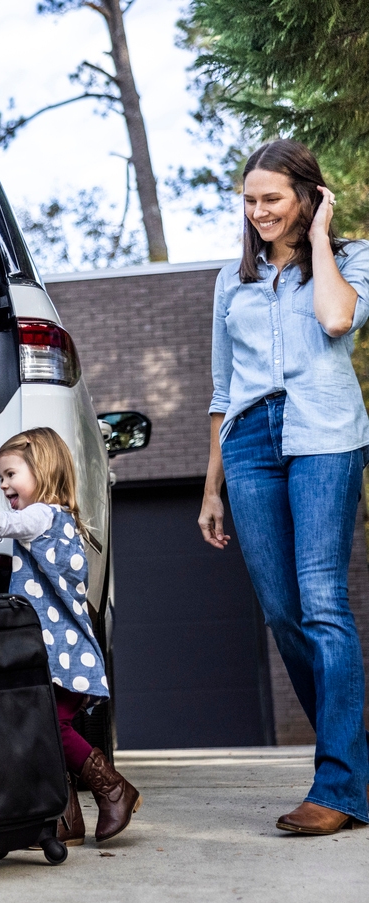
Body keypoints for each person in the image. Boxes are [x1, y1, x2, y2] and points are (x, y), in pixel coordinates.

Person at [198, 139, 369, 836]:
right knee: (282, 610)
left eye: (272, 198)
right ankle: (355, 762)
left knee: (323, 601)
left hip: (324, 435)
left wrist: (320, 238)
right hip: (248, 444)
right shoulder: (230, 281)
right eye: (250, 199)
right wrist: (211, 488)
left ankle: (338, 784)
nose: (259, 211)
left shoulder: (350, 260)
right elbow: (221, 390)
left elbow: (336, 319)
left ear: (308, 196)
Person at [0, 428, 141, 844]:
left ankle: (114, 789)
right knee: (41, 732)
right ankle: (65, 822)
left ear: (42, 470)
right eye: (1, 476)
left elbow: (2, 523)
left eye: (10, 474)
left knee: (50, 729)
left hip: (59, 653)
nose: (3, 484)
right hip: (60, 652)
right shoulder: (61, 520)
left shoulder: (41, 517)